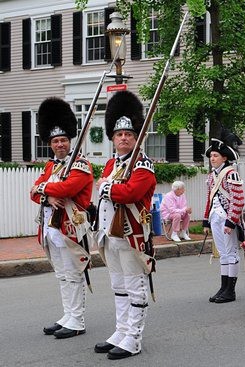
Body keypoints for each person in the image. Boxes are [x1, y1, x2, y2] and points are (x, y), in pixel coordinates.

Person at [93, 91, 156, 360]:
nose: (123, 138)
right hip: (110, 235)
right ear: (113, 138)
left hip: (132, 235)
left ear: (136, 137)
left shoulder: (143, 164)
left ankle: (134, 337)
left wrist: (108, 187)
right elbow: (109, 188)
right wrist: (110, 186)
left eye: (129, 134)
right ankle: (121, 330)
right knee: (118, 285)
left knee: (135, 286)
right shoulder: (111, 164)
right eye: (119, 135)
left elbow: (130, 193)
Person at [30, 97, 93, 339]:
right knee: (62, 274)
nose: (60, 144)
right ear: (50, 144)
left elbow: (66, 190)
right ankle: (68, 315)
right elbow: (35, 194)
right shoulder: (50, 167)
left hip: (70, 229)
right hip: (50, 229)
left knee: (73, 273)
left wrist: (42, 189)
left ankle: (77, 320)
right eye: (56, 141)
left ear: (70, 141)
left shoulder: (81, 164)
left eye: (64, 140)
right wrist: (45, 195)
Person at [203, 137, 245, 303]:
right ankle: (223, 287)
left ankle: (230, 291)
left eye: (216, 156)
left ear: (224, 158)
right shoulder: (212, 175)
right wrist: (206, 221)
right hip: (215, 217)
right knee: (222, 254)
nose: (212, 158)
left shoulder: (231, 173)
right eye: (211, 155)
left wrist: (230, 221)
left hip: (227, 219)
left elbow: (238, 200)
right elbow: (210, 199)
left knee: (231, 253)